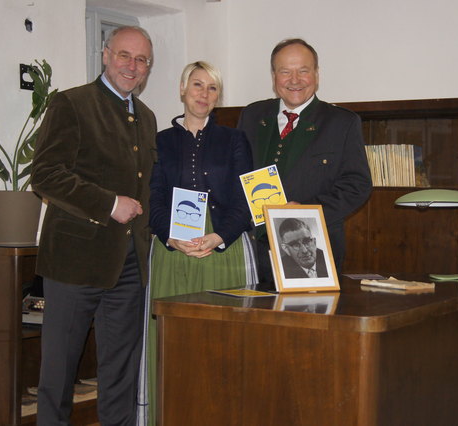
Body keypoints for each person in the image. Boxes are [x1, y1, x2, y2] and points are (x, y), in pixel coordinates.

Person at [30, 25, 157, 425]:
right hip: (74, 263)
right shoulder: (71, 103)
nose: (132, 66)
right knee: (59, 372)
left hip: (128, 264)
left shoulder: (148, 117)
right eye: (124, 55)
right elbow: (46, 174)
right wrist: (108, 204)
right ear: (105, 55)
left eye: (141, 60)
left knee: (119, 372)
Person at [144, 61, 255, 425]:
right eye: (197, 85)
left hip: (224, 247)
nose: (203, 94)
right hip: (173, 251)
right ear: (181, 89)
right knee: (174, 346)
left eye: (212, 88)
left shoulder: (235, 139)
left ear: (218, 97)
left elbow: (245, 200)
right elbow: (154, 197)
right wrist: (170, 237)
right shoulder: (161, 140)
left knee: (225, 345)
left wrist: (220, 236)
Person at [237, 38, 372, 286]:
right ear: (274, 76)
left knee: (309, 322)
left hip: (313, 252)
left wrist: (306, 212)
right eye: (285, 71)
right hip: (252, 252)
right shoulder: (252, 116)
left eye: (303, 71)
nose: (295, 80)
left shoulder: (342, 123)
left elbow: (357, 185)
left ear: (316, 74)